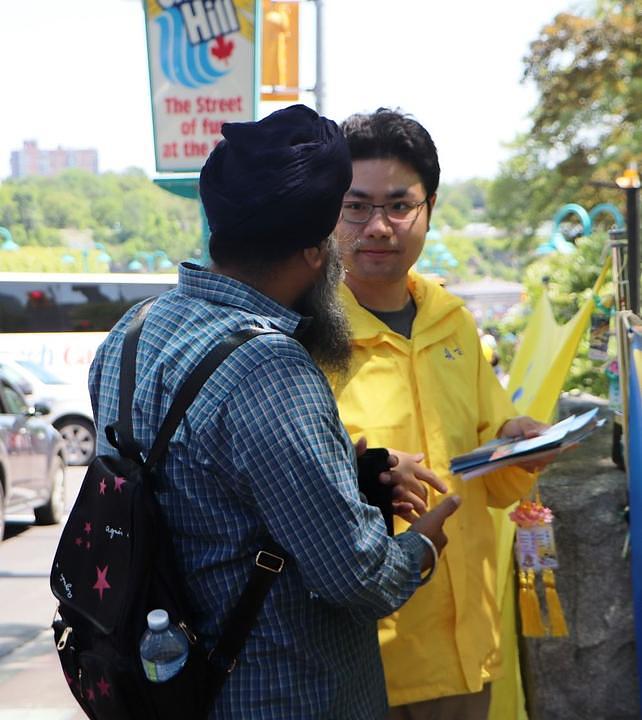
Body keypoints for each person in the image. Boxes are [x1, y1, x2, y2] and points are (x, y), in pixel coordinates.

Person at [89, 104, 460, 720]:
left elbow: (197, 496)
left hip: (164, 682)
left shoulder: (134, 331)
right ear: (317, 253)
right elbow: (359, 578)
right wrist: (421, 546)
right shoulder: (271, 369)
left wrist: (352, 475)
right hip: (277, 693)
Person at [331, 108, 548, 720]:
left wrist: (521, 442)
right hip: (360, 658)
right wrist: (365, 471)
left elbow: (491, 474)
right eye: (356, 206)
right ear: (328, 211)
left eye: (399, 205)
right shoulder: (302, 338)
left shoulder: (451, 318)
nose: (378, 226)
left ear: (428, 210)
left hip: (464, 650)